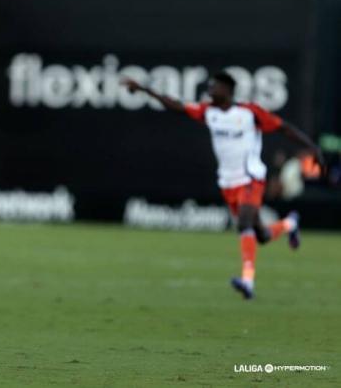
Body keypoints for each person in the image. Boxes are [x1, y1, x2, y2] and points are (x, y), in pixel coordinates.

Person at [123, 72, 324, 300]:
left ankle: (248, 281)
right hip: (228, 182)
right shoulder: (209, 112)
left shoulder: (249, 112)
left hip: (251, 177)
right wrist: (144, 90)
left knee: (244, 223)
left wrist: (313, 148)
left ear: (228, 90)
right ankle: (289, 223)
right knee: (261, 235)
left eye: (215, 86)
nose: (211, 89)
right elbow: (176, 105)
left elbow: (283, 127)